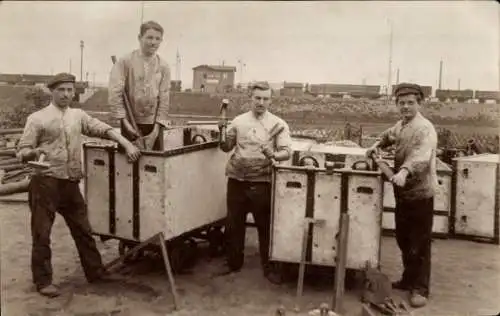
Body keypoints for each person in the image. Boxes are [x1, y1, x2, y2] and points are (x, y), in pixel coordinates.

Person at [16, 73, 142, 298]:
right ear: (51, 91)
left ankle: (96, 273)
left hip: (70, 182)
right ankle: (43, 281)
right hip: (45, 183)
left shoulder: (78, 115)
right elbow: (21, 152)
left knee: (84, 230)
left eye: (69, 90)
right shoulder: (37, 119)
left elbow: (103, 129)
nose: (66, 94)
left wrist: (125, 142)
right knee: (42, 234)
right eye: (61, 90)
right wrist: (33, 152)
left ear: (74, 92)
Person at [365, 83, 438, 308]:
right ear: (397, 104)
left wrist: (404, 171)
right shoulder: (401, 125)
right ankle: (408, 279)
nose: (406, 107)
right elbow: (388, 136)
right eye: (402, 103)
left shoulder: (425, 128)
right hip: (403, 193)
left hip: (420, 193)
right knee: (403, 238)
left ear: (419, 103)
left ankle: (420, 288)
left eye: (410, 103)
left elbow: (421, 156)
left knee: (420, 243)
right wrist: (376, 145)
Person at [215, 82, 292, 284]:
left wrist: (273, 154)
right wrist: (221, 132)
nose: (261, 102)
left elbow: (287, 152)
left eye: (265, 99)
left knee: (265, 226)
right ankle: (233, 263)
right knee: (233, 225)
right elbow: (225, 147)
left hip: (262, 182)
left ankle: (269, 268)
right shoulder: (239, 122)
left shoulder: (278, 124)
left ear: (270, 100)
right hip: (237, 180)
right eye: (257, 98)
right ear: (251, 98)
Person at [108, 20, 171, 150]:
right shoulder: (125, 61)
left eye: (157, 39)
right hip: (130, 123)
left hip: (154, 126)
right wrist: (126, 124)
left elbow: (164, 99)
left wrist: (155, 131)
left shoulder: (164, 66)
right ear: (139, 38)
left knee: (153, 164)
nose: (153, 42)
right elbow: (115, 94)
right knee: (128, 163)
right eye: (149, 37)